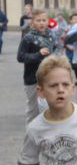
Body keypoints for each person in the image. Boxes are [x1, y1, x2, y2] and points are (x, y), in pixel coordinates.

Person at [17, 9, 56, 138]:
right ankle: (31, 136)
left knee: (46, 105)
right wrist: (38, 54)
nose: (41, 23)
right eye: (38, 20)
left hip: (48, 78)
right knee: (32, 111)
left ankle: (46, 134)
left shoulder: (51, 35)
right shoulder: (28, 38)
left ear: (47, 21)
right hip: (31, 78)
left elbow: (56, 50)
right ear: (32, 22)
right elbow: (20, 57)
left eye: (44, 20)